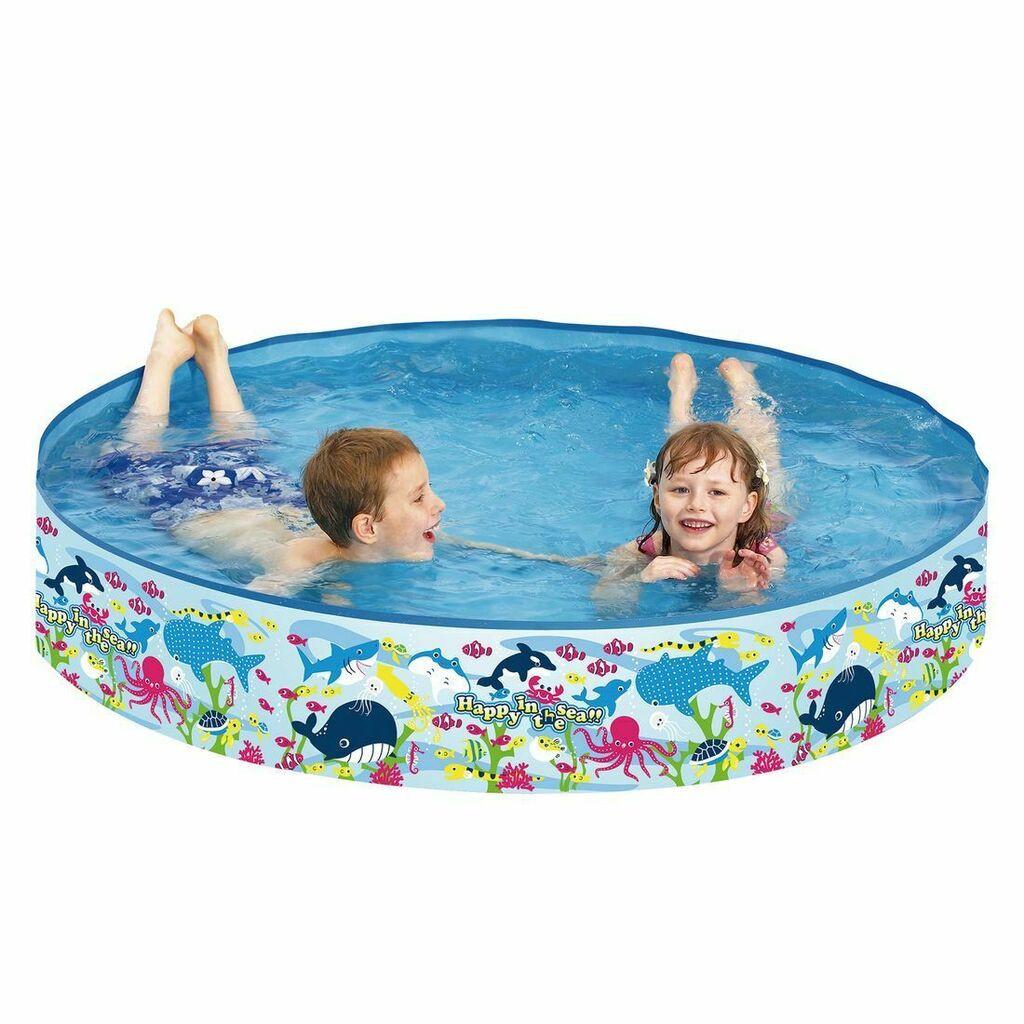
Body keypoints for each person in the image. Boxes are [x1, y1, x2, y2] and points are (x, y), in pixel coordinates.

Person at [98, 310, 446, 595]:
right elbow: (248, 610)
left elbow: (432, 537)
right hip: (193, 507)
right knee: (132, 459)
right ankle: (162, 359)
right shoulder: (301, 561)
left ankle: (214, 356)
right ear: (367, 528)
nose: (439, 504)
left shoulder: (387, 527)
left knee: (240, 446)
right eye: (419, 497)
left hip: (268, 499)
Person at [595, 353, 788, 606]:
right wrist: (640, 579)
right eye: (680, 490)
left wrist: (741, 591)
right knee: (681, 456)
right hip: (730, 492)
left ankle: (743, 388)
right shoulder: (648, 548)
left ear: (747, 506)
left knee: (765, 453)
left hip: (769, 511)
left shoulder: (763, 553)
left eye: (716, 492)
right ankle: (680, 390)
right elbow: (606, 603)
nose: (696, 505)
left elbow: (763, 613)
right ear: (658, 498)